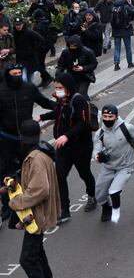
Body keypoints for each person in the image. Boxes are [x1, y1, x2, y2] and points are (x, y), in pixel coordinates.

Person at [3, 119, 60, 278]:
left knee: (27, 259)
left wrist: (16, 202)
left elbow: (40, 190)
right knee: (37, 252)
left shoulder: (35, 160)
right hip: (38, 214)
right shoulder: (37, 155)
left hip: (37, 216)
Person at [0, 64, 55, 223]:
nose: (17, 76)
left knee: (29, 169)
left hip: (26, 139)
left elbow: (44, 102)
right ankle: (7, 206)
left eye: (19, 73)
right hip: (7, 137)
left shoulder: (29, 88)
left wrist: (61, 106)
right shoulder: (1, 90)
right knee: (5, 171)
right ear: (7, 75)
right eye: (14, 73)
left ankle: (29, 199)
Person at [39, 73, 97, 223]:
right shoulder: (61, 100)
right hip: (63, 149)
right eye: (56, 87)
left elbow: (83, 123)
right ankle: (65, 210)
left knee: (85, 174)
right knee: (59, 176)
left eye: (60, 88)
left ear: (68, 87)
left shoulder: (78, 100)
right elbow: (57, 113)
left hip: (80, 147)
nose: (57, 90)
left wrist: (67, 136)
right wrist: (41, 117)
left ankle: (92, 195)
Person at [93, 105, 134, 224]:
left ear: (116, 116)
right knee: (99, 195)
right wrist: (97, 156)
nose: (107, 119)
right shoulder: (100, 133)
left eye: (110, 116)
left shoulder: (127, 128)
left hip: (126, 166)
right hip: (109, 167)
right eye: (105, 116)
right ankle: (106, 208)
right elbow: (96, 148)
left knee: (114, 191)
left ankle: (115, 210)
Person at [110, 0, 134, 69]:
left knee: (117, 48)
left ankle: (116, 64)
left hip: (116, 30)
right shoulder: (126, 6)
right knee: (128, 47)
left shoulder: (113, 7)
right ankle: (130, 63)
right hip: (126, 29)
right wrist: (130, 4)